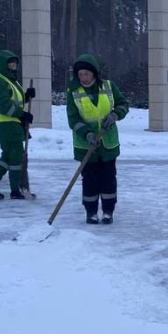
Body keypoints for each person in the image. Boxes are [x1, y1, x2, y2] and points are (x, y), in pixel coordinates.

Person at [66, 53, 129, 225]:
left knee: (108, 177)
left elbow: (123, 104)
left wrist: (115, 114)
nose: (83, 78)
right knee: (90, 179)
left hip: (108, 142)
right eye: (80, 75)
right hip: (86, 144)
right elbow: (73, 119)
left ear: (94, 73)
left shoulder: (108, 86)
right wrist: (87, 134)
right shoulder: (73, 92)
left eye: (86, 74)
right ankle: (91, 211)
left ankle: (108, 211)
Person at [0, 50, 35, 200]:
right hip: (4, 123)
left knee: (8, 155)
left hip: (9, 123)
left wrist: (26, 97)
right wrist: (22, 114)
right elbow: (5, 105)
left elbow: (13, 101)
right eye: (10, 63)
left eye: (14, 63)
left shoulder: (9, 79)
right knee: (17, 153)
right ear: (3, 64)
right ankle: (15, 190)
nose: (13, 66)